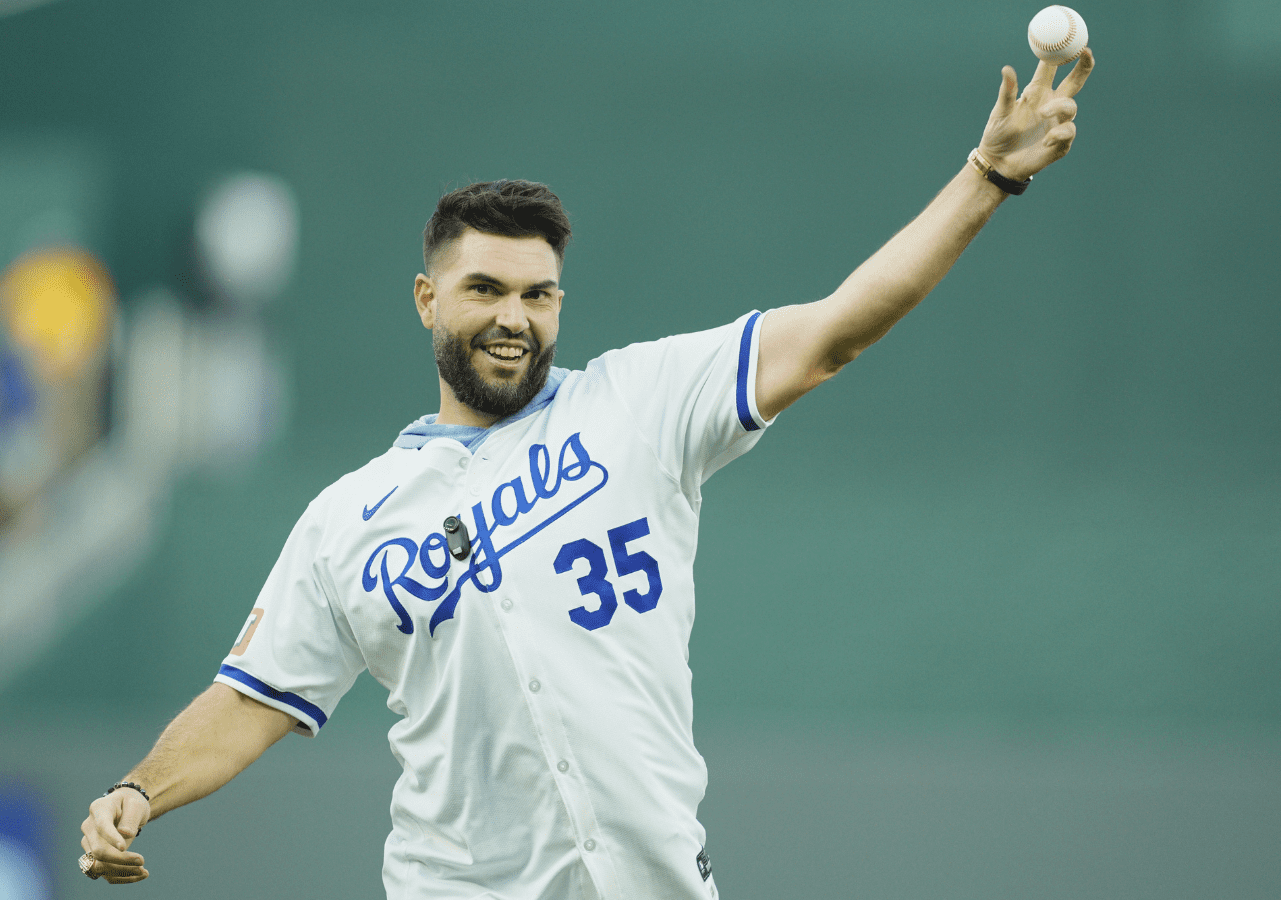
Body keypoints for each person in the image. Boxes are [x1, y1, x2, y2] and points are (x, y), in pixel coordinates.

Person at [78, 50, 1095, 897]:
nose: (513, 318)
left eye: (538, 294)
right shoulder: (346, 519)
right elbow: (252, 698)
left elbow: (836, 330)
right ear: (427, 298)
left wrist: (985, 178)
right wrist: (139, 791)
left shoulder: (637, 402)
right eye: (484, 289)